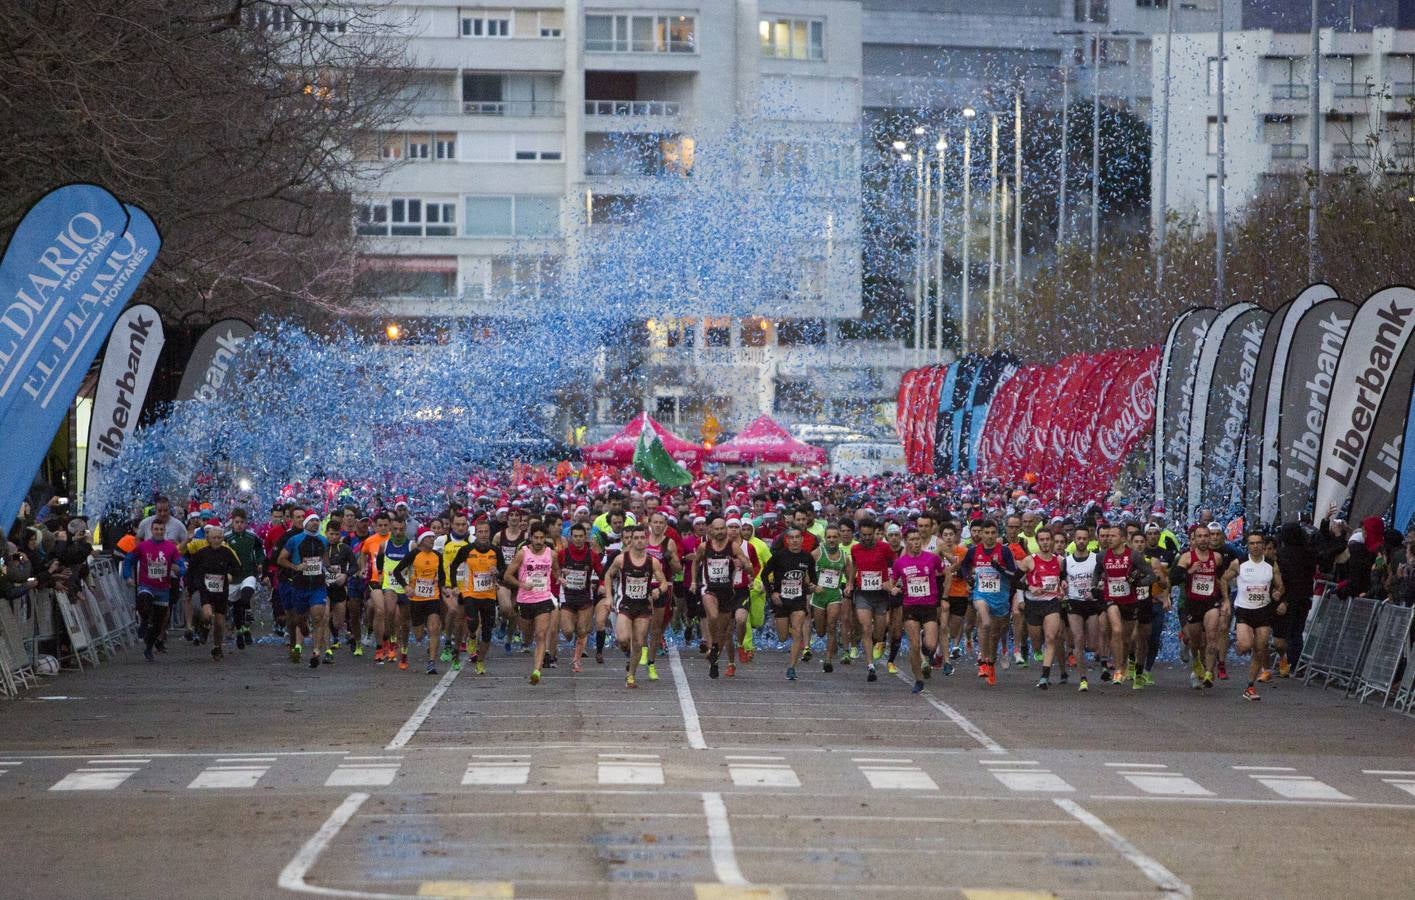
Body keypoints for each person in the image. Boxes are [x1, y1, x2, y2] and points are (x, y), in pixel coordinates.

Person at [1220, 531, 1286, 701]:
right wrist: (1226, 600)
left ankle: (1250, 686)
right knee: (1246, 645)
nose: (1255, 546)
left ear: (1263, 545)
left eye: (1258, 543)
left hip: (1263, 611)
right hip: (1244, 610)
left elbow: (1280, 586)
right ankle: (1240, 643)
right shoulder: (1239, 563)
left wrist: (1278, 594)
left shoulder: (1272, 565)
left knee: (1260, 648)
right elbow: (1224, 579)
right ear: (1247, 546)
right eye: (1251, 543)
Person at [601, 525, 667, 688]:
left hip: (643, 606)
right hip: (625, 604)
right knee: (622, 639)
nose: (638, 541)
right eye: (635, 538)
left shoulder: (653, 562)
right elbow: (608, 575)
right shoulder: (622, 559)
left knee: (638, 642)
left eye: (641, 538)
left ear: (646, 540)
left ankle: (631, 675)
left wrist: (658, 590)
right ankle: (628, 652)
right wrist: (609, 598)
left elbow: (664, 582)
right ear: (631, 540)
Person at [957, 519, 1019, 686]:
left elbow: (1014, 575)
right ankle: (983, 662)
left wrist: (999, 568)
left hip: (1000, 599)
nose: (990, 536)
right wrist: (968, 577)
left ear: (997, 534)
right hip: (981, 595)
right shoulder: (973, 551)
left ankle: (990, 663)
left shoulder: (1004, 552)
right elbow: (963, 567)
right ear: (982, 534)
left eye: (993, 533)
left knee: (994, 635)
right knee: (985, 624)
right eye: (987, 533)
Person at [1095, 523, 1155, 689]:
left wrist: (1138, 582)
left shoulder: (1134, 556)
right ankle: (1118, 668)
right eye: (1107, 536)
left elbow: (1151, 576)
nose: (1108, 539)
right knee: (1117, 630)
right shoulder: (1102, 556)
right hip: (1111, 599)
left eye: (1113, 536)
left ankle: (1127, 665)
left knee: (1128, 639)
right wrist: (1095, 586)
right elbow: (1096, 572)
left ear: (1122, 539)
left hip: (1130, 601)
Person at [694, 517, 753, 679]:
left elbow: (748, 564)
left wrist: (747, 569)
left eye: (722, 529)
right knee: (712, 616)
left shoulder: (733, 547)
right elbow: (695, 562)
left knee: (724, 631)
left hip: (728, 592)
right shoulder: (703, 547)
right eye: (717, 529)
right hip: (709, 589)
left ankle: (714, 659)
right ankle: (712, 645)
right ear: (711, 530)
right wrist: (693, 581)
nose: (720, 532)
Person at [890, 527, 947, 693]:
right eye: (912, 539)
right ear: (906, 542)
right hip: (910, 607)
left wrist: (944, 596)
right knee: (913, 645)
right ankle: (918, 679)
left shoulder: (932, 558)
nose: (915, 542)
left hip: (929, 606)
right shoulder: (900, 562)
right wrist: (892, 589)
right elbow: (892, 582)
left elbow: (946, 573)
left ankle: (925, 649)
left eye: (917, 539)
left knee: (930, 644)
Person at [503, 522, 560, 685]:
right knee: (527, 636)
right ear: (531, 538)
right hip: (524, 600)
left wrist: (560, 577)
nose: (539, 541)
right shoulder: (522, 554)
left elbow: (555, 571)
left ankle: (536, 670)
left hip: (543, 598)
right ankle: (525, 641)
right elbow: (507, 576)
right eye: (536, 537)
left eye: (542, 538)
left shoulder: (552, 554)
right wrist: (521, 584)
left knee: (541, 635)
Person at [445, 518, 504, 675]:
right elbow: (454, 566)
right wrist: (455, 586)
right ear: (475, 533)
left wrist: (497, 572)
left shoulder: (495, 551)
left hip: (489, 595)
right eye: (480, 532)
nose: (483, 535)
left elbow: (503, 569)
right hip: (470, 593)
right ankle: (471, 637)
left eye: (486, 532)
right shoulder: (467, 549)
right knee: (472, 622)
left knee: (487, 632)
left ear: (489, 533)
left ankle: (480, 661)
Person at [123, 519, 185, 662]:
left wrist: (179, 570)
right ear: (151, 530)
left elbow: (181, 565)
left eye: (161, 529)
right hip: (147, 585)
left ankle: (149, 647)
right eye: (156, 529)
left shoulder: (171, 547)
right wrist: (127, 576)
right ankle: (144, 621)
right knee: (145, 600)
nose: (158, 532)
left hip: (163, 588)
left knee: (158, 624)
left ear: (165, 531)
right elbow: (128, 559)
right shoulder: (143, 546)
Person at [1172, 524, 1224, 689]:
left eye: (1205, 536)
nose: (1203, 539)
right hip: (1192, 604)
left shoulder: (1216, 557)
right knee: (1195, 642)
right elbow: (1173, 579)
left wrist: (1227, 601)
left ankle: (1209, 672)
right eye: (1199, 536)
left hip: (1211, 603)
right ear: (1194, 539)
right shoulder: (1186, 558)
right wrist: (1189, 572)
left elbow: (1221, 579)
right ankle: (1196, 661)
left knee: (1211, 636)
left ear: (1209, 538)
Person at [762, 527, 817, 682]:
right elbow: (764, 575)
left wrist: (812, 586)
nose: (794, 540)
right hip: (781, 600)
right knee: (782, 636)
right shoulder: (778, 556)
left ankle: (791, 668)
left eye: (797, 537)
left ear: (801, 539)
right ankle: (792, 634)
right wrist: (772, 592)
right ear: (787, 540)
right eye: (791, 538)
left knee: (798, 631)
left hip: (798, 599)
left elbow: (813, 577)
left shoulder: (807, 557)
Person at [277, 514, 331, 669]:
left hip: (318, 585)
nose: (315, 523)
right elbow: (281, 559)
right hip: (299, 585)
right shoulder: (295, 540)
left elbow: (325, 561)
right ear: (306, 523)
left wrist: (331, 569)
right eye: (312, 520)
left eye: (317, 521)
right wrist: (296, 567)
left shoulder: (323, 540)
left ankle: (316, 652)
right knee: (298, 619)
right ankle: (303, 626)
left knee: (318, 616)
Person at [1017, 526, 1065, 689]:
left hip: (1051, 603)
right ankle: (1036, 649)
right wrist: (1029, 588)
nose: (1045, 542)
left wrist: (1063, 584)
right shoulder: (1029, 560)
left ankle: (1044, 676)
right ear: (1037, 542)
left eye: (1047, 539)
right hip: (1033, 604)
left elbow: (1063, 578)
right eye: (1042, 540)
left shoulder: (1058, 560)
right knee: (1036, 639)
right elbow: (1015, 582)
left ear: (1051, 541)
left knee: (1051, 637)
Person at [185, 523, 242, 662]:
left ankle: (217, 647)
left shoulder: (227, 552)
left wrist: (230, 575)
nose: (216, 540)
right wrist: (192, 588)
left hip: (221, 591)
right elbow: (191, 571)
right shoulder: (201, 553)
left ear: (223, 538)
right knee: (207, 614)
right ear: (208, 539)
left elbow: (238, 569)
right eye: (214, 538)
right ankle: (204, 626)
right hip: (205, 590)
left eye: (219, 538)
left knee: (219, 623)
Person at [392, 530, 446, 675]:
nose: (432, 540)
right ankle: (420, 644)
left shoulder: (437, 556)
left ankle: (431, 662)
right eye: (429, 537)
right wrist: (406, 586)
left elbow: (442, 575)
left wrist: (442, 586)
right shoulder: (413, 554)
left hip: (433, 597)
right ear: (422, 540)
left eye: (433, 538)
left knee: (434, 627)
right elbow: (397, 571)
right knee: (419, 635)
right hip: (416, 599)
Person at [849, 519, 896, 684]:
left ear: (875, 534)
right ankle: (870, 665)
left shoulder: (884, 547)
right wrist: (849, 583)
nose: (867, 538)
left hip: (881, 595)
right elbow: (853, 566)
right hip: (863, 594)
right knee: (866, 628)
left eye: (870, 535)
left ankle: (879, 642)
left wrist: (891, 582)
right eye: (864, 535)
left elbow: (896, 564)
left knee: (878, 632)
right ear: (859, 534)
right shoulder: (855, 549)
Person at [557, 521, 602, 673]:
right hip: (567, 597)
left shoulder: (592, 555)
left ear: (585, 537)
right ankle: (574, 637)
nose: (578, 539)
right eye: (575, 536)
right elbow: (554, 571)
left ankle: (577, 661)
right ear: (570, 537)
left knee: (582, 630)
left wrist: (601, 584)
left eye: (581, 536)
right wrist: (560, 576)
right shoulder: (563, 554)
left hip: (584, 597)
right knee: (568, 632)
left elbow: (601, 573)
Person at [1063, 524, 1101, 692]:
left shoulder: (1096, 558)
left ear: (1089, 540)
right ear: (1074, 539)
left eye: (1084, 538)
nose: (1081, 541)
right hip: (1074, 602)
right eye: (1078, 538)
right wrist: (1063, 584)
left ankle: (1086, 655)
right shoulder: (1067, 560)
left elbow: (1102, 576)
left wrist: (1098, 587)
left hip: (1092, 603)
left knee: (1092, 645)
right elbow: (1061, 578)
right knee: (1078, 639)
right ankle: (1082, 678)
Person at [810, 524, 853, 673]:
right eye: (829, 537)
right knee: (821, 631)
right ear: (825, 538)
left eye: (835, 537)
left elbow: (849, 576)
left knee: (832, 625)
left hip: (834, 595)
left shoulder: (844, 557)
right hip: (818, 596)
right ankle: (828, 641)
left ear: (839, 538)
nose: (832, 540)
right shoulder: (817, 553)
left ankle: (828, 660)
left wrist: (849, 585)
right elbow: (805, 571)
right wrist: (813, 586)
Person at [224, 508, 265, 651]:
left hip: (248, 573)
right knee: (236, 607)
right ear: (232, 522)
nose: (239, 525)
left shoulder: (252, 537)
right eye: (237, 522)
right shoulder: (226, 538)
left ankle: (247, 617)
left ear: (246, 523)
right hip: (233, 577)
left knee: (246, 595)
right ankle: (242, 631)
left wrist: (260, 562)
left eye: (242, 522)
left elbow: (260, 550)